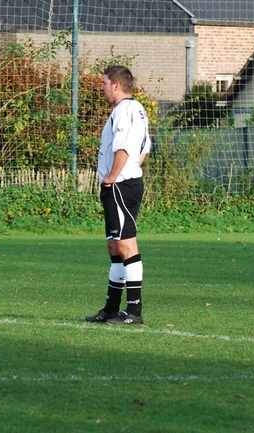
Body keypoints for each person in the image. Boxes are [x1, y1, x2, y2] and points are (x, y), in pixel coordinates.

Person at [85, 65, 151, 325]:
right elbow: (145, 147)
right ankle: (111, 308)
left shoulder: (126, 110)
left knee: (126, 245)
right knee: (114, 246)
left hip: (121, 186)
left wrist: (113, 176)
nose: (101, 87)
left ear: (115, 85)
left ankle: (134, 311)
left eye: (103, 83)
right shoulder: (133, 110)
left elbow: (124, 148)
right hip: (121, 185)